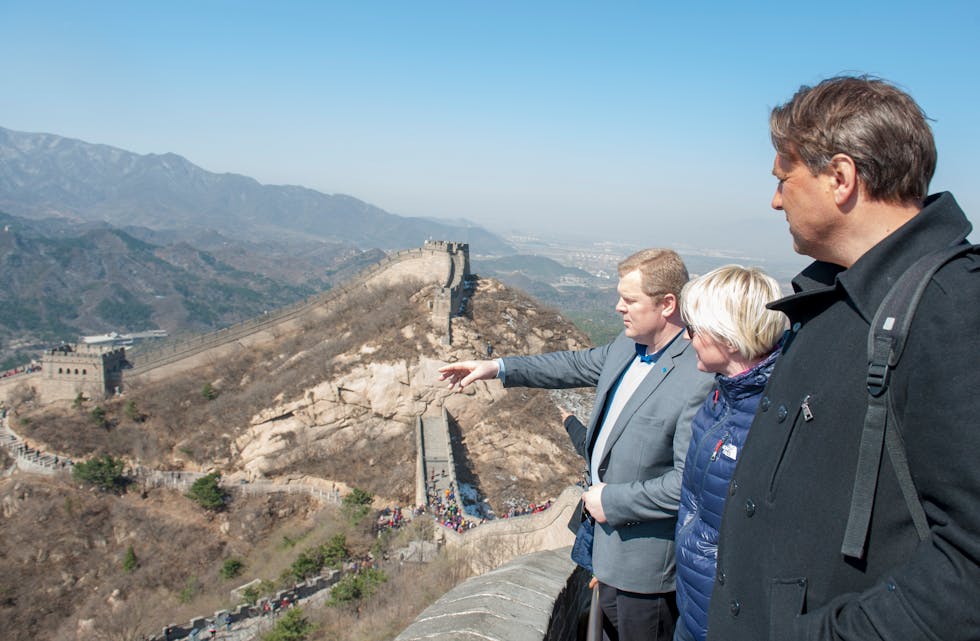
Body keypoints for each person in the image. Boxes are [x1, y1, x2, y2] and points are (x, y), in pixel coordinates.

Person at [706, 76, 980, 640]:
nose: (775, 199)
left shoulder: (953, 310)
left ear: (840, 177)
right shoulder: (844, 295)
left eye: (784, 179)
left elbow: (969, 564)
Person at [439, 248, 714, 641]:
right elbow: (569, 365)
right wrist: (496, 368)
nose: (619, 308)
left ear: (667, 304)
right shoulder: (626, 347)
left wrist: (613, 501)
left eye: (630, 300)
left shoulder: (696, 376)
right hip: (603, 549)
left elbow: (688, 486)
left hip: (647, 572)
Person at [672, 265, 787, 641]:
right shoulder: (721, 397)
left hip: (725, 620)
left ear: (730, 340)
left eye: (694, 329)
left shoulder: (771, 418)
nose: (688, 339)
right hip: (692, 604)